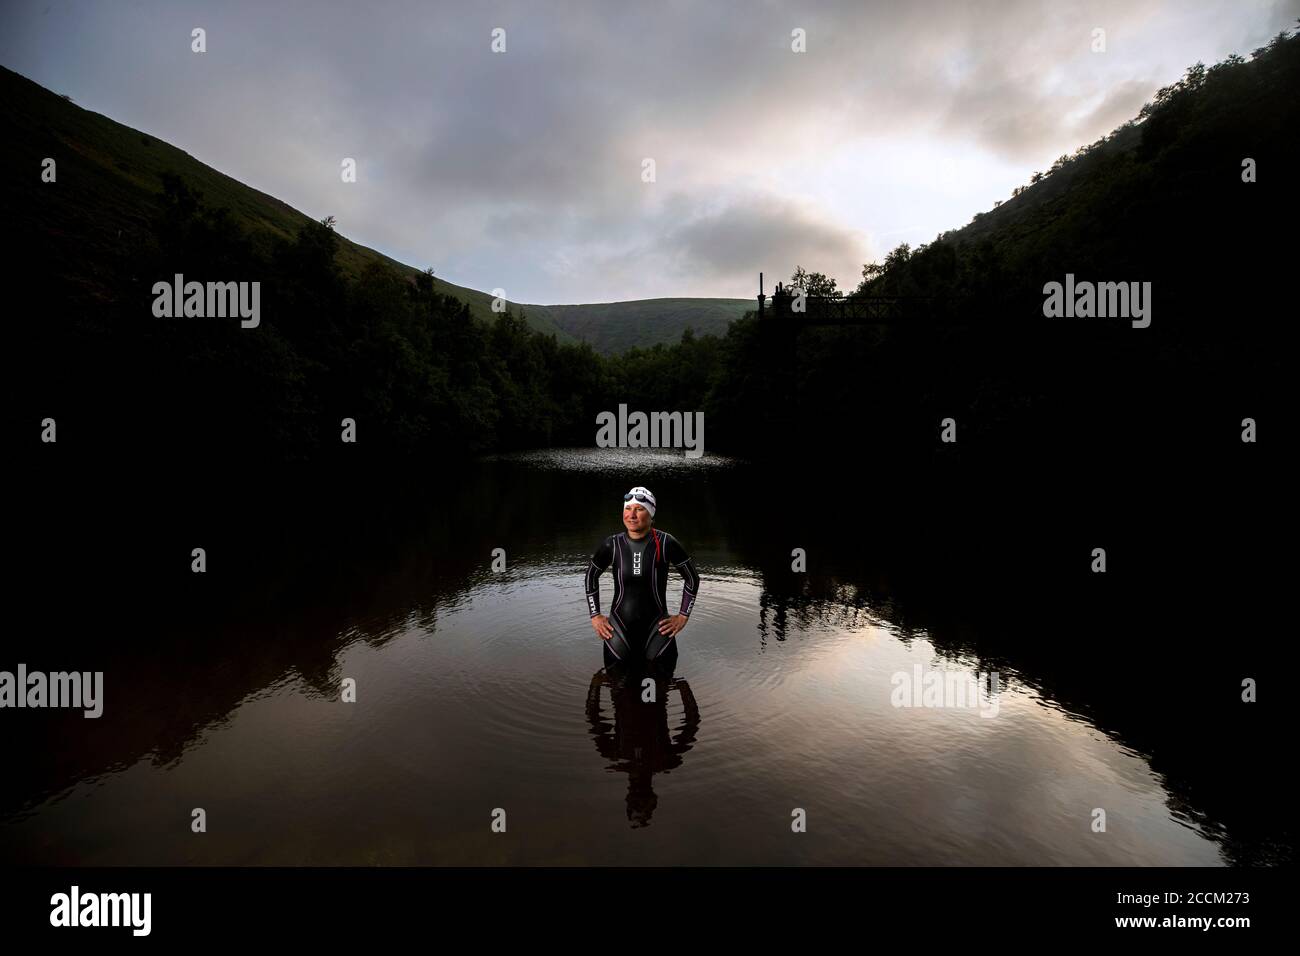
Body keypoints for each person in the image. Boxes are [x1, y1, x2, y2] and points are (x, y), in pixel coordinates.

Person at [585, 486, 700, 665]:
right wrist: (595, 616)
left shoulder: (665, 543)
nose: (632, 515)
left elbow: (692, 578)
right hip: (618, 631)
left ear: (651, 514)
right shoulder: (612, 544)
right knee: (617, 686)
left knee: (659, 687)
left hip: (658, 630)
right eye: (628, 509)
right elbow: (591, 576)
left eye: (639, 509)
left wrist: (683, 616)